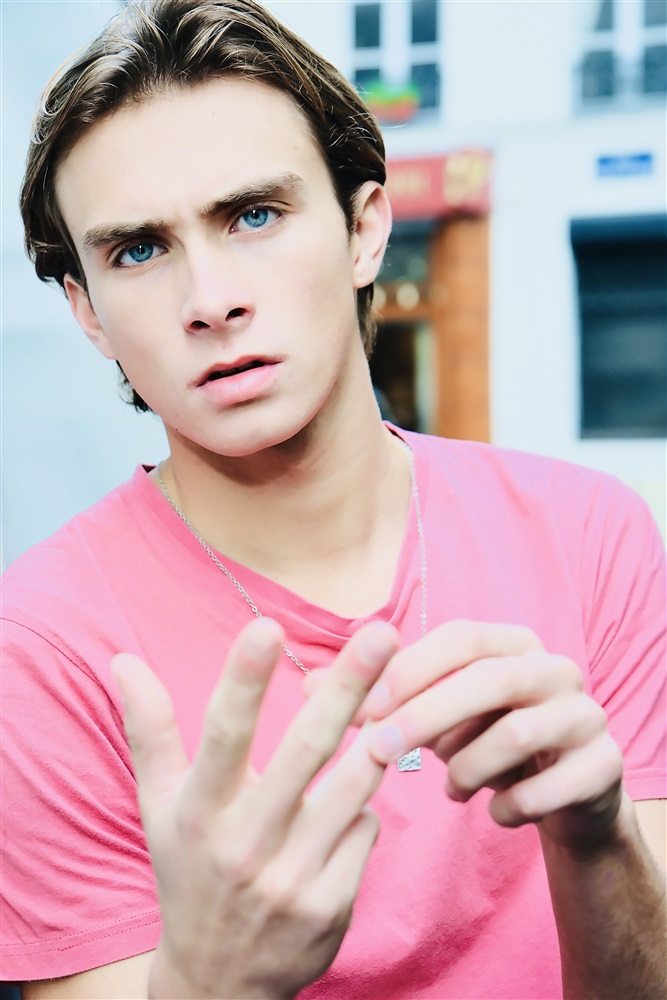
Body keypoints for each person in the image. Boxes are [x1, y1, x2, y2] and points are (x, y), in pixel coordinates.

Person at [1, 1, 665, 997]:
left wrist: (597, 838)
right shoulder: (41, 647)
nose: (210, 300)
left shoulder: (589, 534)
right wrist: (209, 982)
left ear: (364, 230)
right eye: (138, 249)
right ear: (87, 312)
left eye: (252, 216)